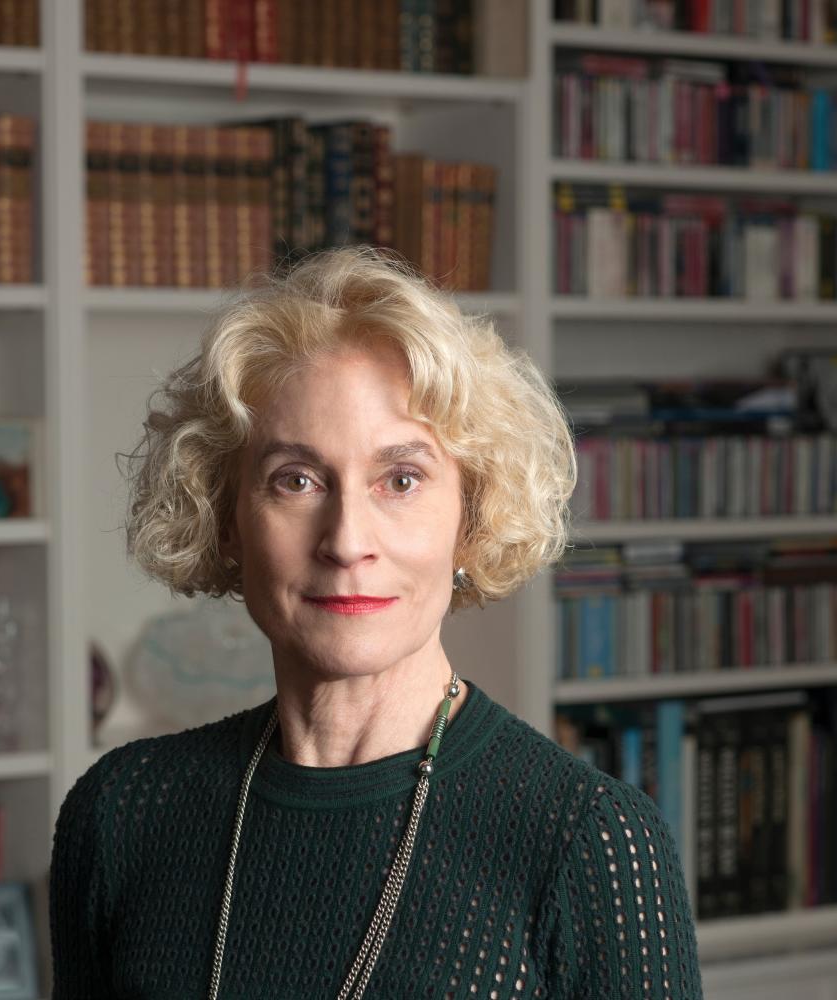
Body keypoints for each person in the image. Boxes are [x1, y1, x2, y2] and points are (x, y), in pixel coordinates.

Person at [48, 246, 704, 999]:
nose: (346, 540)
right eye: (295, 480)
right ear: (227, 520)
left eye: (401, 479)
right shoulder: (122, 815)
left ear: (473, 517)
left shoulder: (588, 840)